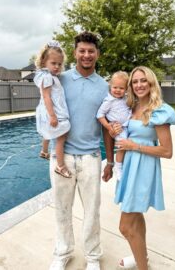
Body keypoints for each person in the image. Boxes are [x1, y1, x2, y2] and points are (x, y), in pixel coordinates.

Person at [49, 31, 114, 270]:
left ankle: (93, 257)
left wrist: (110, 161)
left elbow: (106, 127)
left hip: (90, 156)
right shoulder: (60, 79)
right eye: (82, 50)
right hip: (61, 156)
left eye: (91, 51)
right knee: (62, 208)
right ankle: (62, 252)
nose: (86, 55)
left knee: (92, 211)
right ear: (75, 52)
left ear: (97, 54)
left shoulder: (105, 86)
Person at [113, 66, 175, 270]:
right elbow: (127, 134)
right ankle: (142, 258)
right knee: (137, 216)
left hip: (143, 169)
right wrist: (119, 132)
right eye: (135, 81)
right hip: (130, 167)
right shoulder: (131, 107)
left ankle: (142, 267)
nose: (139, 85)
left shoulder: (158, 110)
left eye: (144, 81)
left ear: (151, 84)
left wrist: (135, 146)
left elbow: (167, 151)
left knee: (125, 226)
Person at [34, 41, 71, 178]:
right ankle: (60, 166)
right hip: (53, 112)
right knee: (62, 137)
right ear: (44, 62)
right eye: (53, 63)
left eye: (59, 64)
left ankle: (44, 151)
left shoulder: (44, 75)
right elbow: (46, 97)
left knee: (47, 132)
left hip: (48, 112)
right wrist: (53, 116)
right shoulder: (48, 77)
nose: (57, 67)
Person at [97, 71, 131, 180]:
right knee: (122, 146)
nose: (117, 90)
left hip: (126, 127)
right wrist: (108, 126)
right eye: (115, 87)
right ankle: (118, 166)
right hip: (118, 129)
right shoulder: (109, 101)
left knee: (127, 145)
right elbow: (100, 115)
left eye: (121, 88)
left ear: (126, 89)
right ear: (110, 86)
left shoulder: (126, 99)